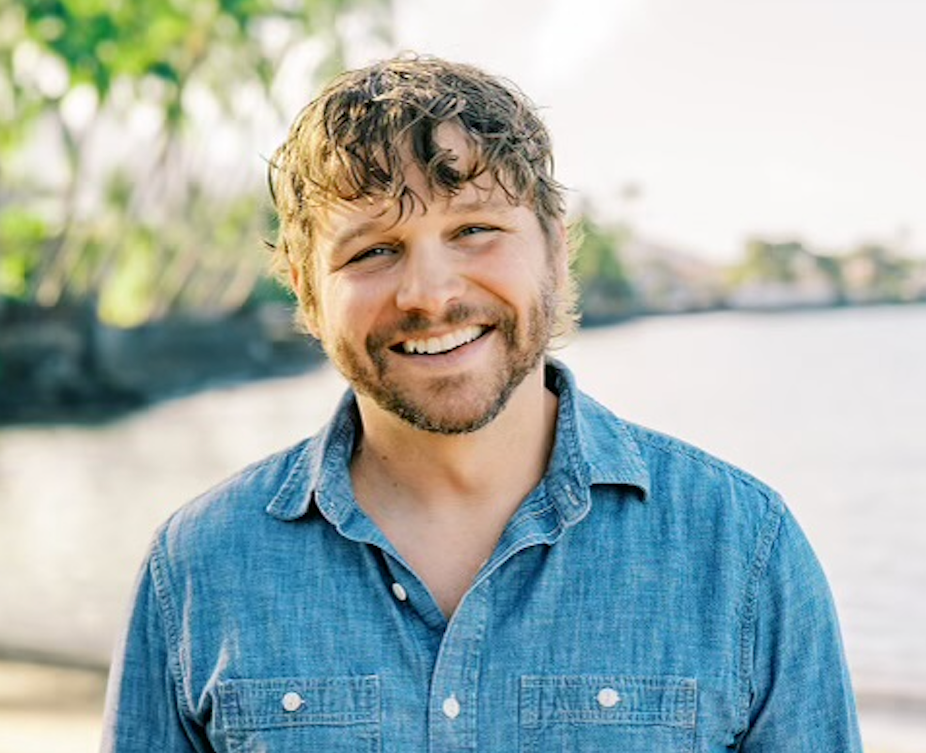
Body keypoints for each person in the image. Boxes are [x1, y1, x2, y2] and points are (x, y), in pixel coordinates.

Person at [100, 54, 862, 752]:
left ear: (556, 251)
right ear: (305, 289)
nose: (430, 293)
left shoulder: (741, 550)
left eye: (474, 229)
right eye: (372, 250)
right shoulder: (199, 567)